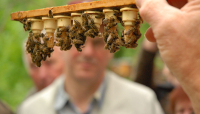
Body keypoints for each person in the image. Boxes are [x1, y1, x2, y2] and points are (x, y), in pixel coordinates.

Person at [18, 25, 164, 114]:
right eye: (78, 41)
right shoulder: (32, 109)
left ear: (112, 49)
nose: (88, 52)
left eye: (97, 42)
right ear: (60, 47)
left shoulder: (142, 102)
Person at [135, 0, 200, 113]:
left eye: (192, 111)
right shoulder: (162, 93)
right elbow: (142, 82)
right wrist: (149, 50)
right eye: (181, 110)